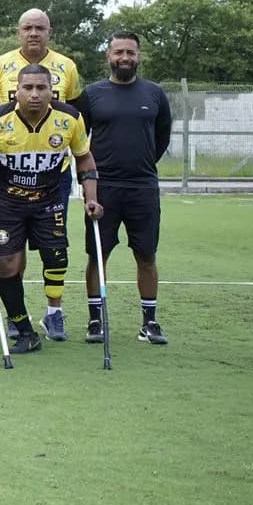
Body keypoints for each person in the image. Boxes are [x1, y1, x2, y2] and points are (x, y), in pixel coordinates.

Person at [0, 65, 103, 354]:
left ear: (52, 91)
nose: (35, 94)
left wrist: (91, 198)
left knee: (56, 259)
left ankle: (53, 315)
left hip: (48, 199)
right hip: (6, 202)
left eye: (42, 88)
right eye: (28, 88)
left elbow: (85, 160)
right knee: (8, 265)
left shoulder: (70, 118)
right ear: (17, 91)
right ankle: (24, 330)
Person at [0, 8, 83, 340]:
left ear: (49, 31)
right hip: (9, 176)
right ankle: (17, 315)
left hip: (54, 175)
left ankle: (54, 313)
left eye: (40, 27)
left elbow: (76, 116)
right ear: (18, 31)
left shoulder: (67, 66)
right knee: (13, 251)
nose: (33, 33)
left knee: (53, 249)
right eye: (27, 27)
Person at [74, 30, 172, 344]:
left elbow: (161, 138)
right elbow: (79, 141)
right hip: (104, 188)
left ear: (138, 55)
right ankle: (95, 321)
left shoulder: (155, 93)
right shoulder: (92, 94)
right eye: (119, 52)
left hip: (143, 188)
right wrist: (89, 183)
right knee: (97, 256)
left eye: (130, 52)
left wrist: (140, 165)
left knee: (146, 255)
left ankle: (150, 322)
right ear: (109, 56)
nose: (125, 58)